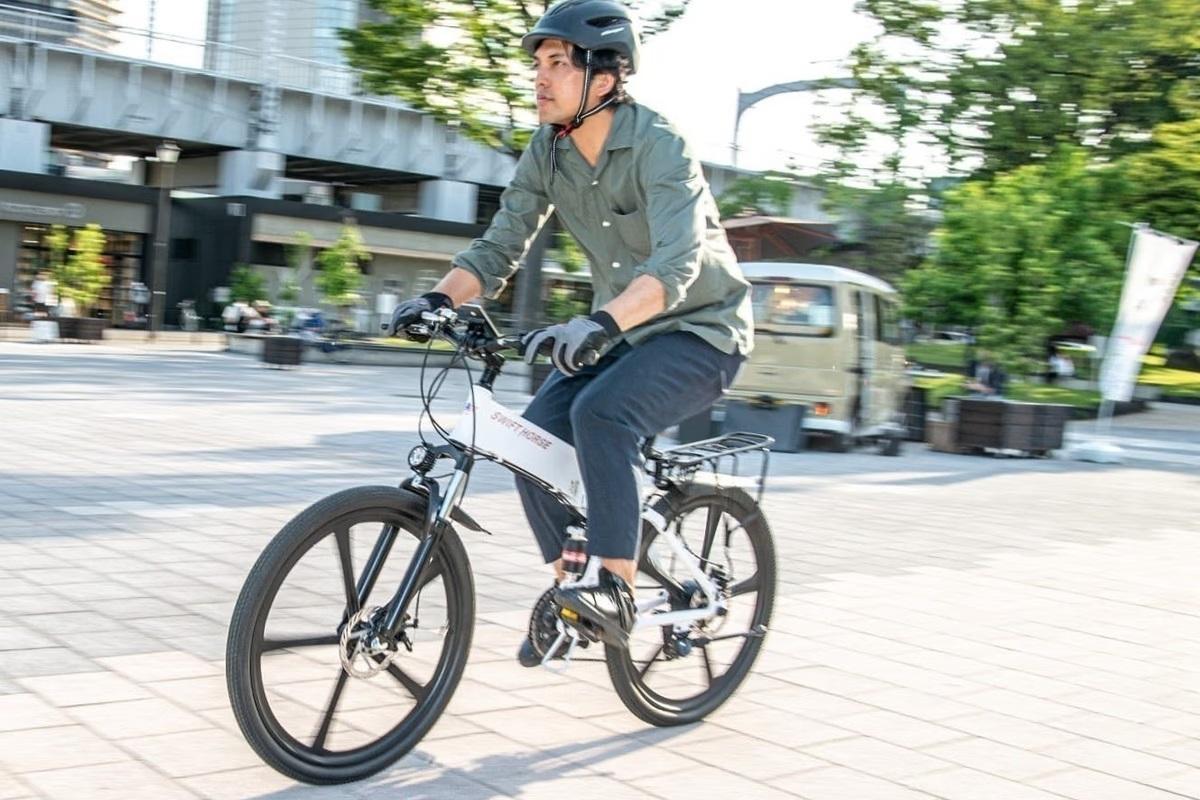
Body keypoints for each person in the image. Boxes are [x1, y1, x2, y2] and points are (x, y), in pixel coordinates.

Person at [387, 0, 754, 658]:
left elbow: (675, 267)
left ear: (605, 76)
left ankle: (613, 587)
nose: (540, 77)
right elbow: (499, 248)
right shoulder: (547, 152)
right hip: (622, 333)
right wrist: (436, 299)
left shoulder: (658, 145)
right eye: (537, 64)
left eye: (557, 63)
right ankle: (573, 590)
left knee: (601, 415)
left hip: (702, 332)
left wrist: (599, 321)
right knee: (532, 441)